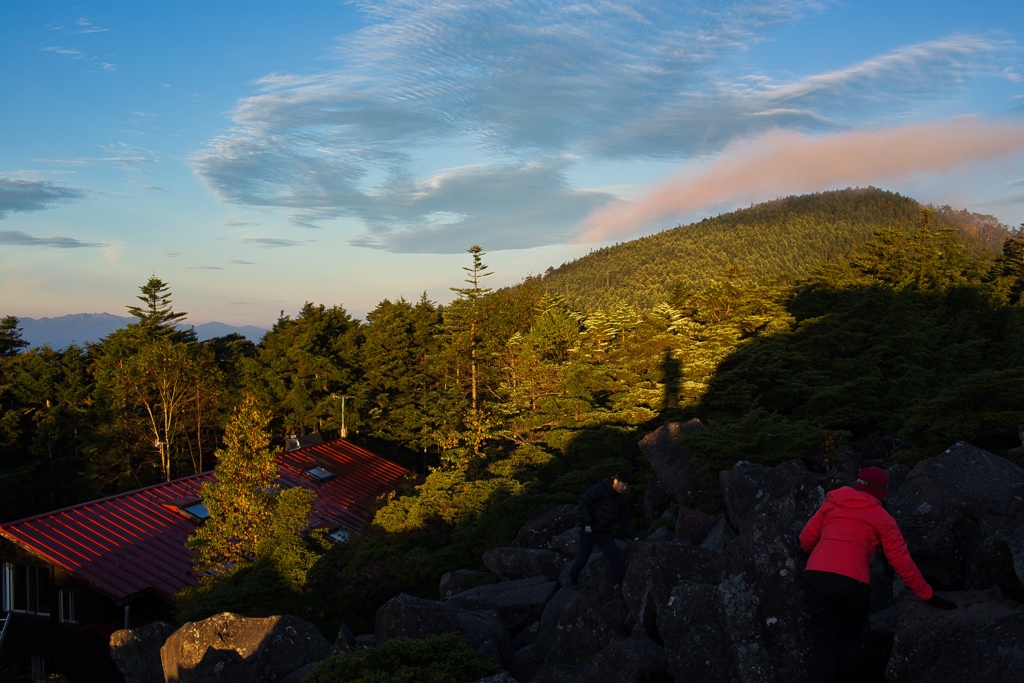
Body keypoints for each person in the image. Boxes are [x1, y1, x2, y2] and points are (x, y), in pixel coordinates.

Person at [799, 466, 956, 683]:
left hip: (816, 576)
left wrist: (823, 555)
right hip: (853, 583)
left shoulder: (832, 503)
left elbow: (806, 540)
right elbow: (902, 562)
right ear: (882, 492)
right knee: (851, 639)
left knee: (824, 641)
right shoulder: (883, 518)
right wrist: (927, 595)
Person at [568, 471, 640, 591]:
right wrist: (587, 521)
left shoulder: (620, 500)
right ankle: (573, 580)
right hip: (589, 531)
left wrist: (634, 535)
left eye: (627, 486)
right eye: (623, 485)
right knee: (582, 559)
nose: (625, 488)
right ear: (616, 480)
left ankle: (616, 586)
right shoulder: (598, 489)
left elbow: (623, 519)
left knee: (614, 557)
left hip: (604, 533)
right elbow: (583, 502)